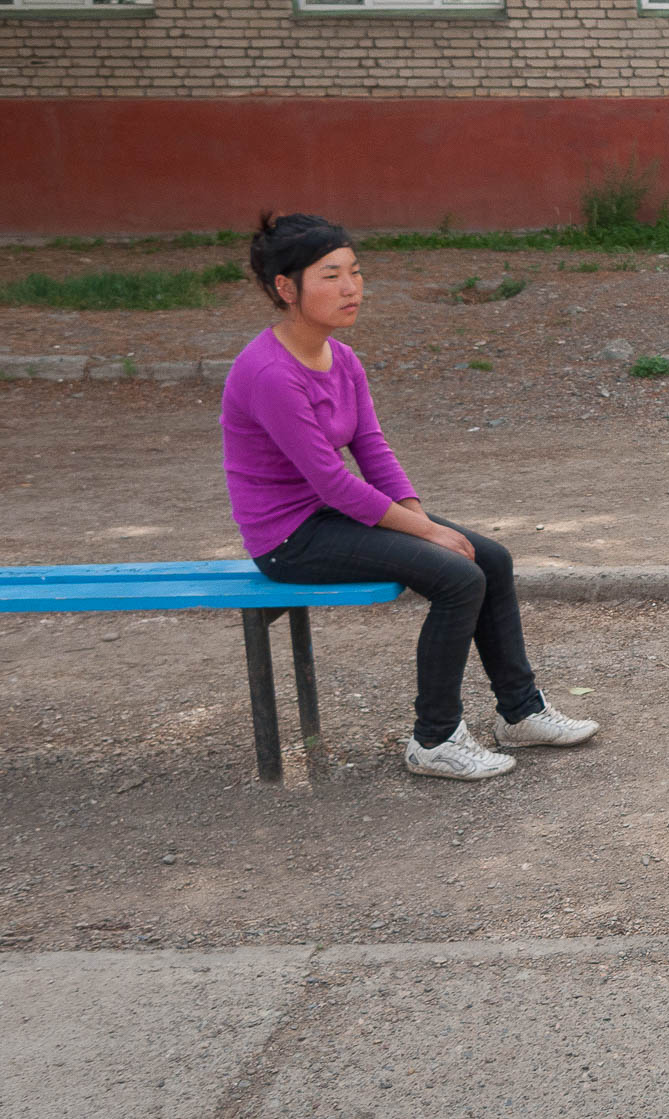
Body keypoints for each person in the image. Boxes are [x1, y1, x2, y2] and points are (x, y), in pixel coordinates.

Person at [221, 212, 599, 781]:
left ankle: (519, 712)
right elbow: (331, 481)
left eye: (355, 272)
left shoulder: (341, 359)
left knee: (489, 557)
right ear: (285, 288)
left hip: (332, 516)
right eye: (330, 276)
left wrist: (421, 519)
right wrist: (426, 535)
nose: (351, 288)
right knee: (458, 577)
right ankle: (435, 739)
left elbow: (372, 451)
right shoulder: (271, 373)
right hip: (290, 537)